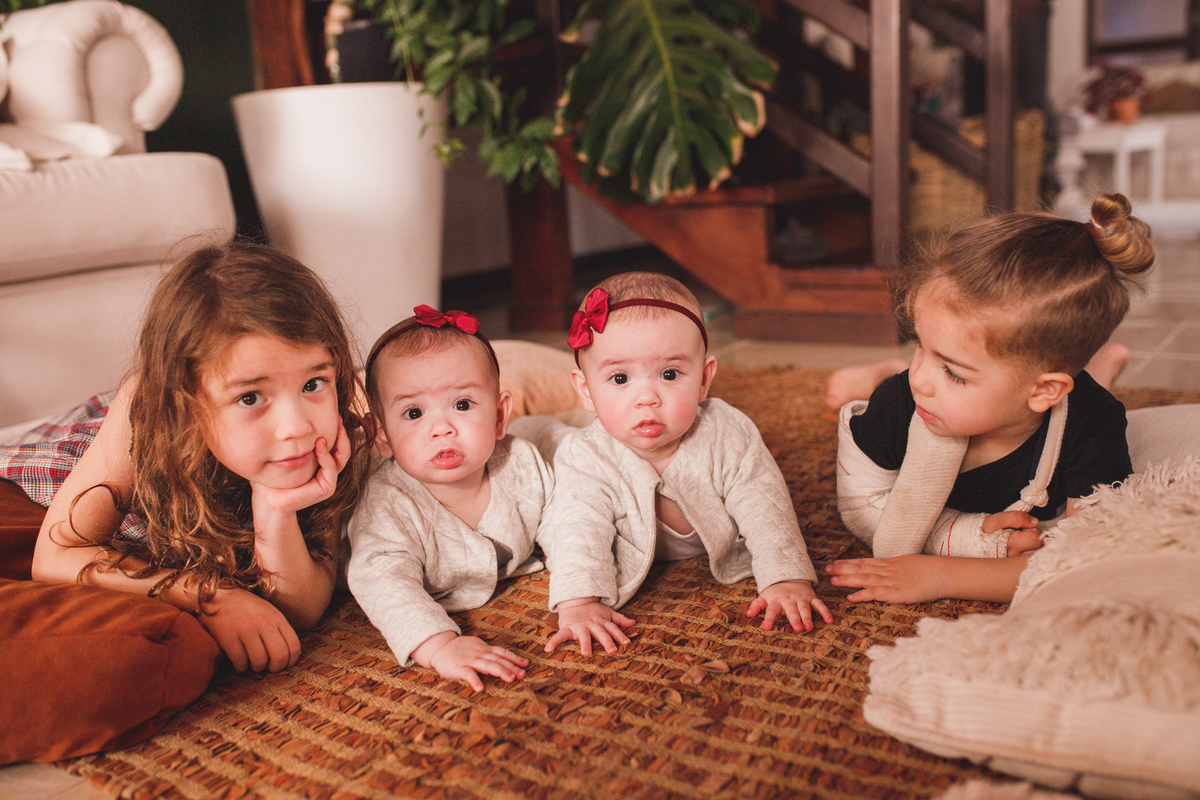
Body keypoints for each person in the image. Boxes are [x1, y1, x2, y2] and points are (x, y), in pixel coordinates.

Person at [2, 240, 371, 672]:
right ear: (187, 404)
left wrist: (276, 511)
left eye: (313, 384)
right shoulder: (145, 413)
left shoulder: (336, 434)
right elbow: (55, 556)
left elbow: (303, 609)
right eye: (251, 396)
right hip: (96, 452)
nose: (297, 426)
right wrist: (212, 596)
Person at [825, 193, 1155, 604]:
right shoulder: (898, 402)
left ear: (1044, 391)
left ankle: (1099, 370)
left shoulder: (1095, 424)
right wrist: (972, 541)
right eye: (920, 347)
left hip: (1071, 396)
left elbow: (1086, 561)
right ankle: (880, 369)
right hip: (1022, 390)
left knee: (1094, 393)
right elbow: (862, 507)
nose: (921, 380)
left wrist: (942, 575)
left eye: (952, 372)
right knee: (893, 380)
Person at [540, 272, 833, 657]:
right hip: (587, 482)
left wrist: (787, 577)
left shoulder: (727, 431)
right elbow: (579, 528)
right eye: (620, 378)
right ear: (586, 391)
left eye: (670, 374)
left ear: (704, 380)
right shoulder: (586, 456)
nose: (647, 397)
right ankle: (544, 427)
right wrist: (579, 602)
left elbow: (765, 504)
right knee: (544, 458)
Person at [346, 307, 554, 692]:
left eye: (462, 405)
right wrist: (439, 645)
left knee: (560, 441)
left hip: (537, 436)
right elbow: (380, 577)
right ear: (383, 436)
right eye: (413, 412)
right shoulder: (388, 501)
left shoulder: (521, 462)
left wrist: (580, 592)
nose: (442, 429)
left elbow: (566, 519)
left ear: (498, 417)